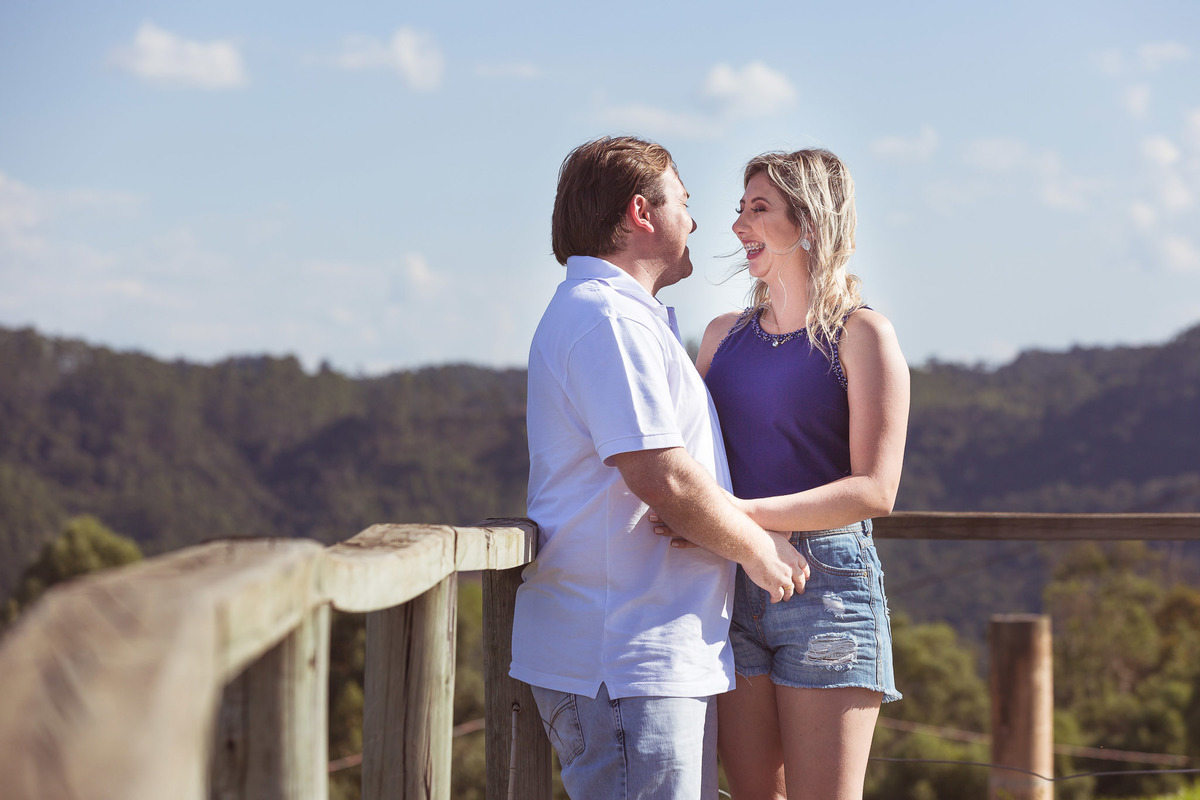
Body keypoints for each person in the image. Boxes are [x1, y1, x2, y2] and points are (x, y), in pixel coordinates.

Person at [510, 136, 811, 800]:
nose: (697, 220)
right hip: (625, 662)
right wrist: (760, 550)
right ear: (642, 213)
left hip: (636, 661)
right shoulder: (606, 320)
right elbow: (660, 475)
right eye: (684, 201)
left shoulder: (618, 317)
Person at [690, 149, 909, 800]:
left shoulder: (861, 335)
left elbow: (875, 490)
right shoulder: (720, 336)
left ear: (809, 223)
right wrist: (746, 539)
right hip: (726, 584)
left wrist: (748, 522)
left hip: (829, 590)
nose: (738, 226)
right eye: (740, 209)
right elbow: (694, 465)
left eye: (759, 209)